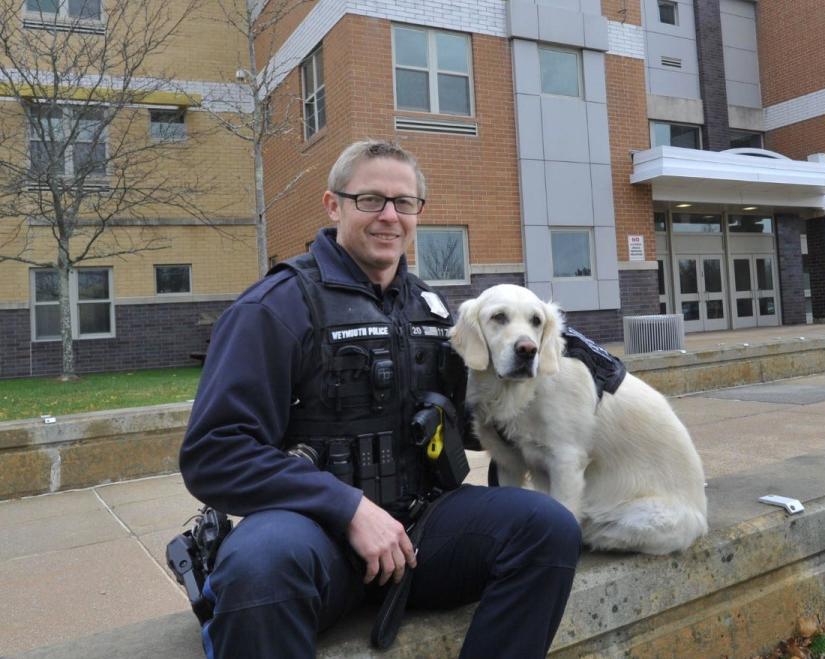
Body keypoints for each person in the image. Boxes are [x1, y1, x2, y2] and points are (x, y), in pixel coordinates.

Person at [179, 139, 582, 659]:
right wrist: (347, 507)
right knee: (257, 570)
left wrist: (554, 367)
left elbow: (469, 420)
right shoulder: (273, 308)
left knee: (547, 529)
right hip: (311, 534)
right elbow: (214, 453)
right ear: (334, 205)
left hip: (421, 527)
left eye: (404, 202)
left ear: (418, 212)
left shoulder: (436, 313)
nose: (389, 216)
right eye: (370, 200)